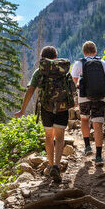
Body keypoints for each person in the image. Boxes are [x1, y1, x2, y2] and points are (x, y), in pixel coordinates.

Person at [15, 46, 75, 182]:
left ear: (42, 57)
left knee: (49, 136)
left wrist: (22, 110)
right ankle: (56, 166)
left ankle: (49, 163)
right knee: (60, 137)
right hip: (62, 108)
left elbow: (30, 90)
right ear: (56, 56)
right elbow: (71, 89)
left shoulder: (39, 72)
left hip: (46, 109)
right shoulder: (63, 70)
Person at [71, 41, 105, 165]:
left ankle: (87, 146)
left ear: (84, 52)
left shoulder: (79, 63)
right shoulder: (102, 63)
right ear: (95, 52)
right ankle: (99, 156)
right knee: (98, 124)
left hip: (83, 97)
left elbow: (74, 81)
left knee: (84, 120)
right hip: (99, 97)